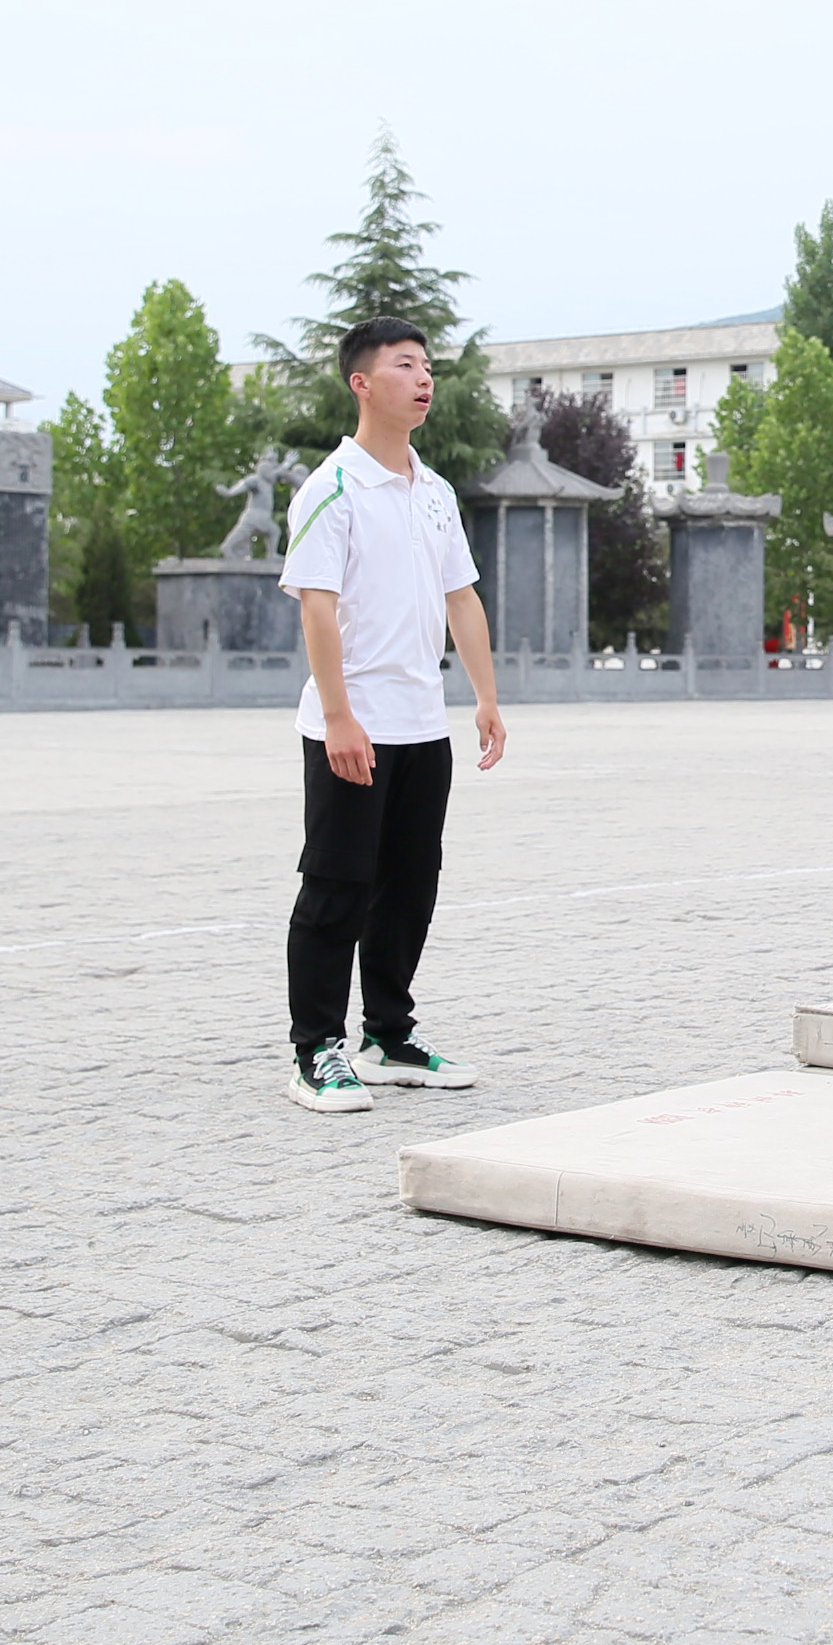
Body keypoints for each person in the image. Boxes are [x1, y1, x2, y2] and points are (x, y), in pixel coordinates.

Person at [275, 318, 505, 1112]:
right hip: (355, 725)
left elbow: (461, 598)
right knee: (337, 886)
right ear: (361, 383)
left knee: (409, 886)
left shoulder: (434, 491)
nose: (424, 377)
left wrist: (484, 697)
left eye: (428, 365)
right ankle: (315, 1050)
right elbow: (317, 609)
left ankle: (388, 1036)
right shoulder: (332, 488)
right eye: (405, 364)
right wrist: (339, 717)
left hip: (421, 725)